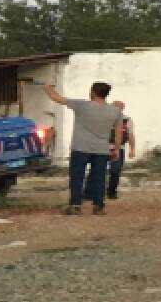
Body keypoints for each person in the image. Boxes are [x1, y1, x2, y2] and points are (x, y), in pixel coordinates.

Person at [44, 80, 123, 215]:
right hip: (101, 149)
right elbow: (118, 133)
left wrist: (47, 88)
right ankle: (98, 206)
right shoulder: (115, 112)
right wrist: (116, 149)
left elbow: (56, 98)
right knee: (99, 178)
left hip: (81, 147)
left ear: (92, 92)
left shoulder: (82, 105)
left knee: (77, 176)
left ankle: (75, 205)